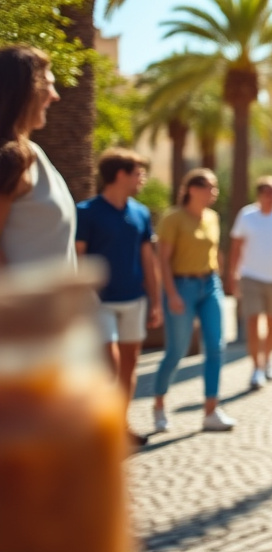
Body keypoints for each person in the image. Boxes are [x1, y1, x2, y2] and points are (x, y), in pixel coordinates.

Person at [76, 148, 162, 447]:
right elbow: (78, 257)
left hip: (135, 299)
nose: (143, 179)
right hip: (99, 302)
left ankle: (121, 426)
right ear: (120, 174)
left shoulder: (141, 213)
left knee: (129, 364)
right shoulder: (86, 212)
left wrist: (156, 301)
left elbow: (148, 258)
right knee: (109, 364)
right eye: (138, 173)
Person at [152, 168, 235, 433]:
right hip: (181, 286)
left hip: (210, 285)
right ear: (192, 189)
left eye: (215, 187)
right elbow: (162, 260)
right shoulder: (172, 218)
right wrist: (171, 294)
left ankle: (211, 411)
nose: (214, 192)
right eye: (209, 187)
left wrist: (223, 280)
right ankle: (159, 405)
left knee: (216, 347)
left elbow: (215, 251)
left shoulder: (212, 217)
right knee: (177, 351)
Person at [0, 46, 77, 271]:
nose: (55, 96)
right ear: (26, 91)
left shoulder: (32, 153)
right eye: (48, 84)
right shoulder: (10, 160)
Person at [227, 175, 272, 390]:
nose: (271, 195)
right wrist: (232, 275)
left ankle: (268, 361)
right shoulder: (246, 216)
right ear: (259, 194)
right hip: (250, 276)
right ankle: (256, 368)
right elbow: (236, 247)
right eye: (267, 191)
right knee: (252, 321)